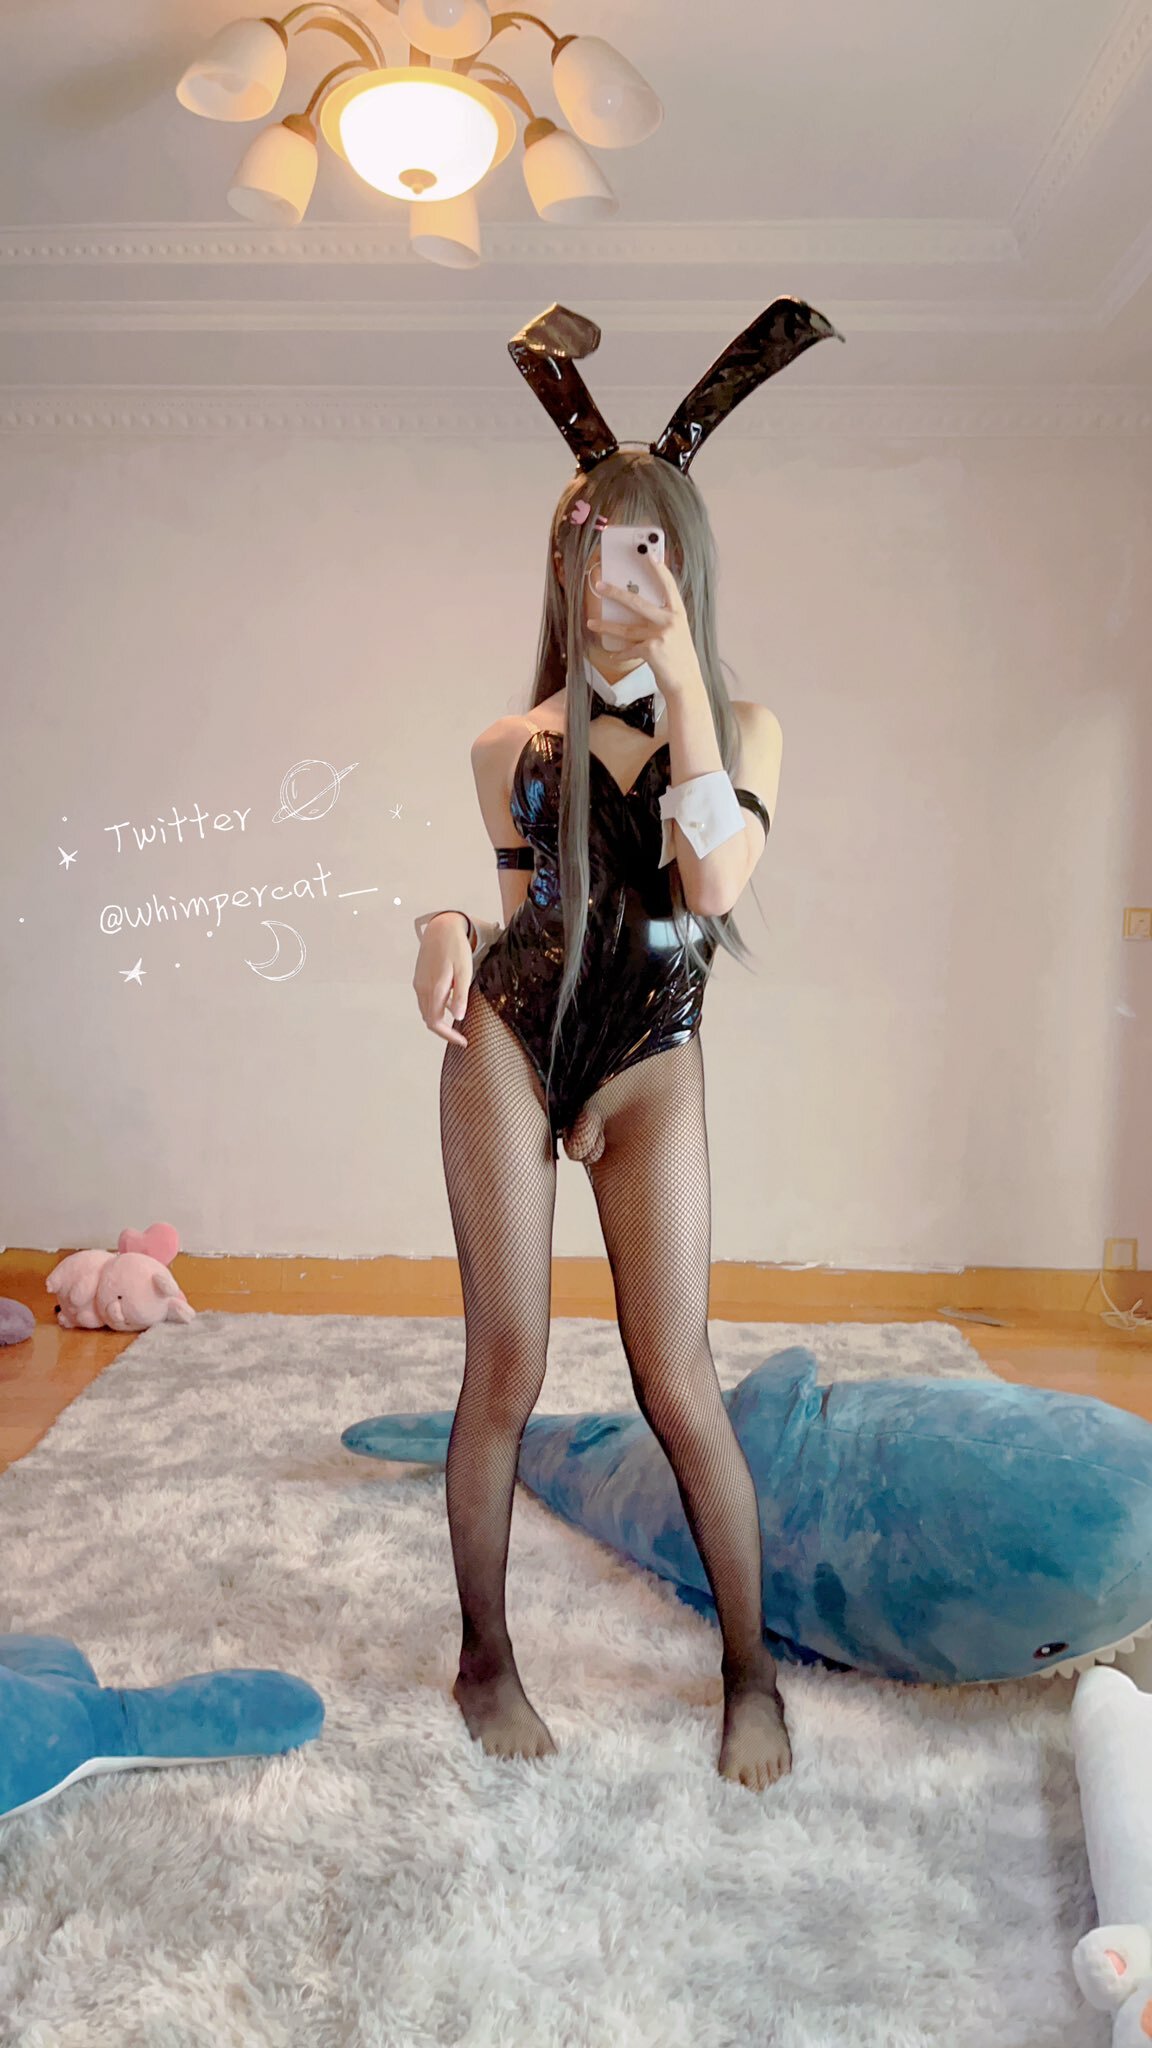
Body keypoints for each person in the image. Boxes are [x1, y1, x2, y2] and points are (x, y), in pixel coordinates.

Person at [411, 299, 843, 1793]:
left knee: (678, 1382)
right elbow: (523, 912)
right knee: (508, 1365)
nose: (616, 576)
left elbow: (710, 885)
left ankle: (750, 1673)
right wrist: (443, 923)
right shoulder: (504, 745)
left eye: (648, 549)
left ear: (686, 565)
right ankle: (483, 1657)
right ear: (562, 561)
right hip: (513, 1044)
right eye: (593, 544)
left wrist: (686, 685)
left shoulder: (747, 729)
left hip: (656, 1055)